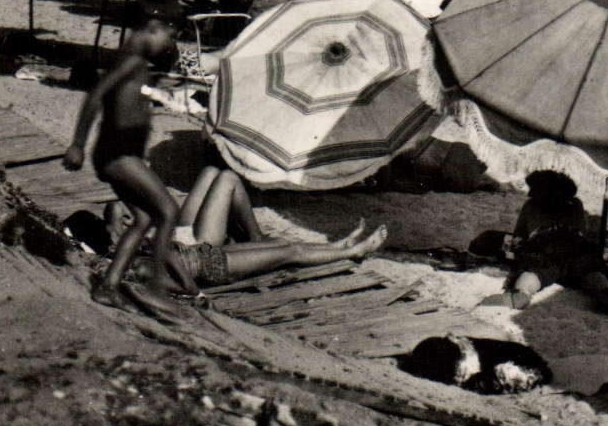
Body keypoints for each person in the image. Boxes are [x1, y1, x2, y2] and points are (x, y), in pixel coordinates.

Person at [64, 19, 188, 317]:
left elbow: (125, 94)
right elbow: (95, 95)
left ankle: (108, 286)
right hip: (118, 154)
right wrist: (77, 144)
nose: (170, 44)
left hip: (117, 152)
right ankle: (156, 287)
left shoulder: (134, 61)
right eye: (169, 36)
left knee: (144, 219)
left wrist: (154, 86)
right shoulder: (132, 60)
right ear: (152, 28)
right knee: (169, 211)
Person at [105, 164, 390, 291]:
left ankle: (338, 247)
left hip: (202, 255)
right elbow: (172, 280)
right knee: (289, 250)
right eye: (123, 220)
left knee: (283, 248)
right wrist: (192, 291)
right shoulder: (135, 261)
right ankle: (352, 251)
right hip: (209, 265)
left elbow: (168, 261)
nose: (131, 220)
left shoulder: (133, 251)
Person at [503, 171, 608, 314]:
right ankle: (605, 291)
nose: (530, 193)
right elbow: (582, 233)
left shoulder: (531, 205)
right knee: (590, 270)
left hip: (544, 249)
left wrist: (516, 252)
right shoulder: (575, 204)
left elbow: (519, 236)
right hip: (574, 248)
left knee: (533, 272)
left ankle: (522, 292)